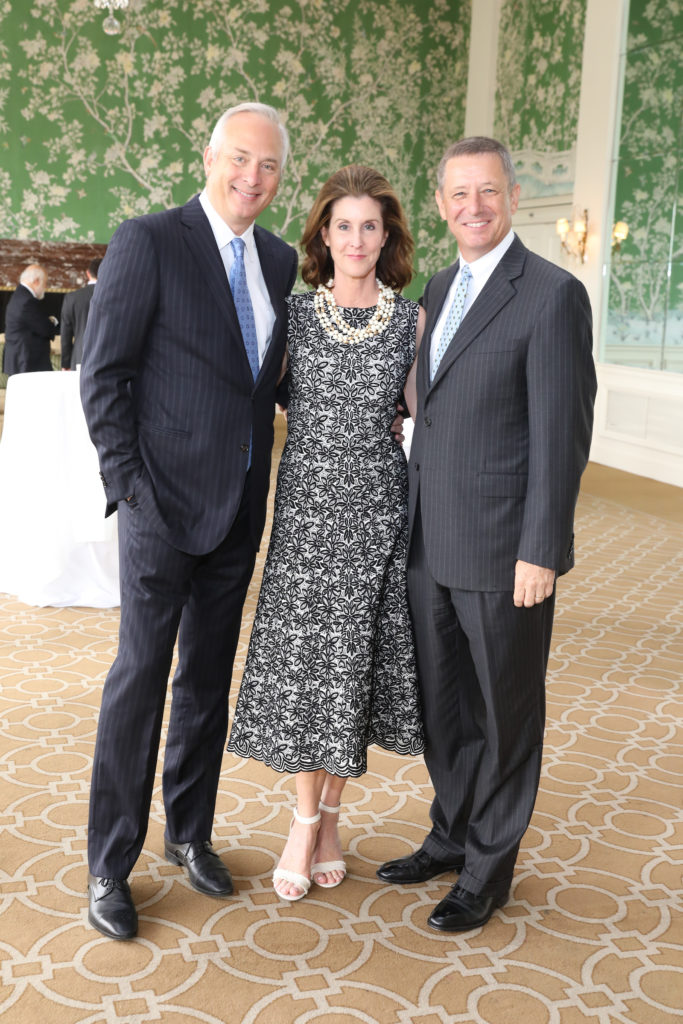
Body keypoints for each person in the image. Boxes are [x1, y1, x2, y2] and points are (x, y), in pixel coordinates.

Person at [79, 102, 298, 940]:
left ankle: (191, 835)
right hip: (159, 508)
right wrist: (131, 488)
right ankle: (110, 863)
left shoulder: (278, 261)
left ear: (281, 178)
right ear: (208, 157)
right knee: (139, 680)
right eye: (239, 158)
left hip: (240, 506)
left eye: (269, 166)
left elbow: (267, 382)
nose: (251, 177)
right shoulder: (150, 240)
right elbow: (103, 376)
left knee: (207, 680)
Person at [377, 136, 597, 932]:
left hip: (507, 550)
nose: (473, 206)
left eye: (488, 191)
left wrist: (542, 547)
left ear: (510, 197)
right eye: (458, 193)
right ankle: (450, 833)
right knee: (444, 708)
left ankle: (487, 869)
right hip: (428, 541)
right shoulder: (438, 285)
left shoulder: (549, 294)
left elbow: (561, 435)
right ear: (440, 204)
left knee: (504, 712)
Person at [227, 165, 424, 901]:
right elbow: (243, 397)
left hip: (377, 516)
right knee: (311, 675)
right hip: (307, 518)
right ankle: (302, 823)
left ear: (388, 236)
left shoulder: (411, 321)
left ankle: (330, 817)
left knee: (352, 674)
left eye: (370, 225)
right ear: (322, 235)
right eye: (343, 225)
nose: (356, 238)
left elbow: (426, 422)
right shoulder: (297, 316)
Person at [3, 264, 57, 374]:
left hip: (21, 362)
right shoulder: (27, 301)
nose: (45, 287)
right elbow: (46, 329)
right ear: (36, 281)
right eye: (45, 282)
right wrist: (52, 321)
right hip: (27, 364)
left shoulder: (19, 296)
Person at [60, 258, 102, 369]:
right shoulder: (115, 296)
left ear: (88, 274)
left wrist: (65, 363)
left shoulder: (72, 298)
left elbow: (66, 336)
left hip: (79, 356)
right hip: (107, 357)